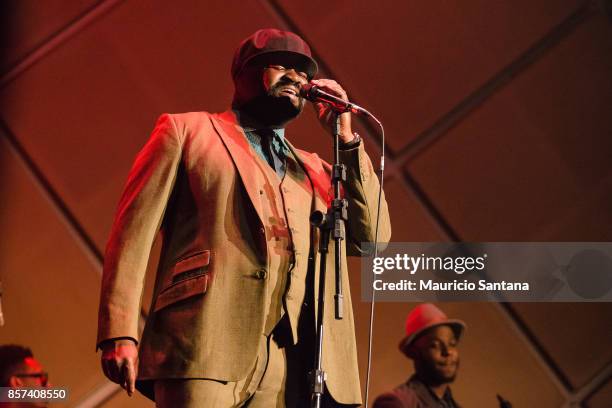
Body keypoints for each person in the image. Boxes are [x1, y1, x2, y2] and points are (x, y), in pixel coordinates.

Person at [97, 28, 391, 407]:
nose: (296, 79)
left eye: (303, 74)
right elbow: (130, 236)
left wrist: (347, 142)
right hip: (201, 342)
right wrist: (119, 332)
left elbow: (372, 240)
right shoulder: (186, 131)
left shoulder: (317, 169)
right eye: (280, 66)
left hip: (289, 358)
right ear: (244, 74)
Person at [373, 304, 465, 408]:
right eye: (434, 345)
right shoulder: (396, 403)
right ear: (414, 352)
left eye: (452, 344)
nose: (447, 351)